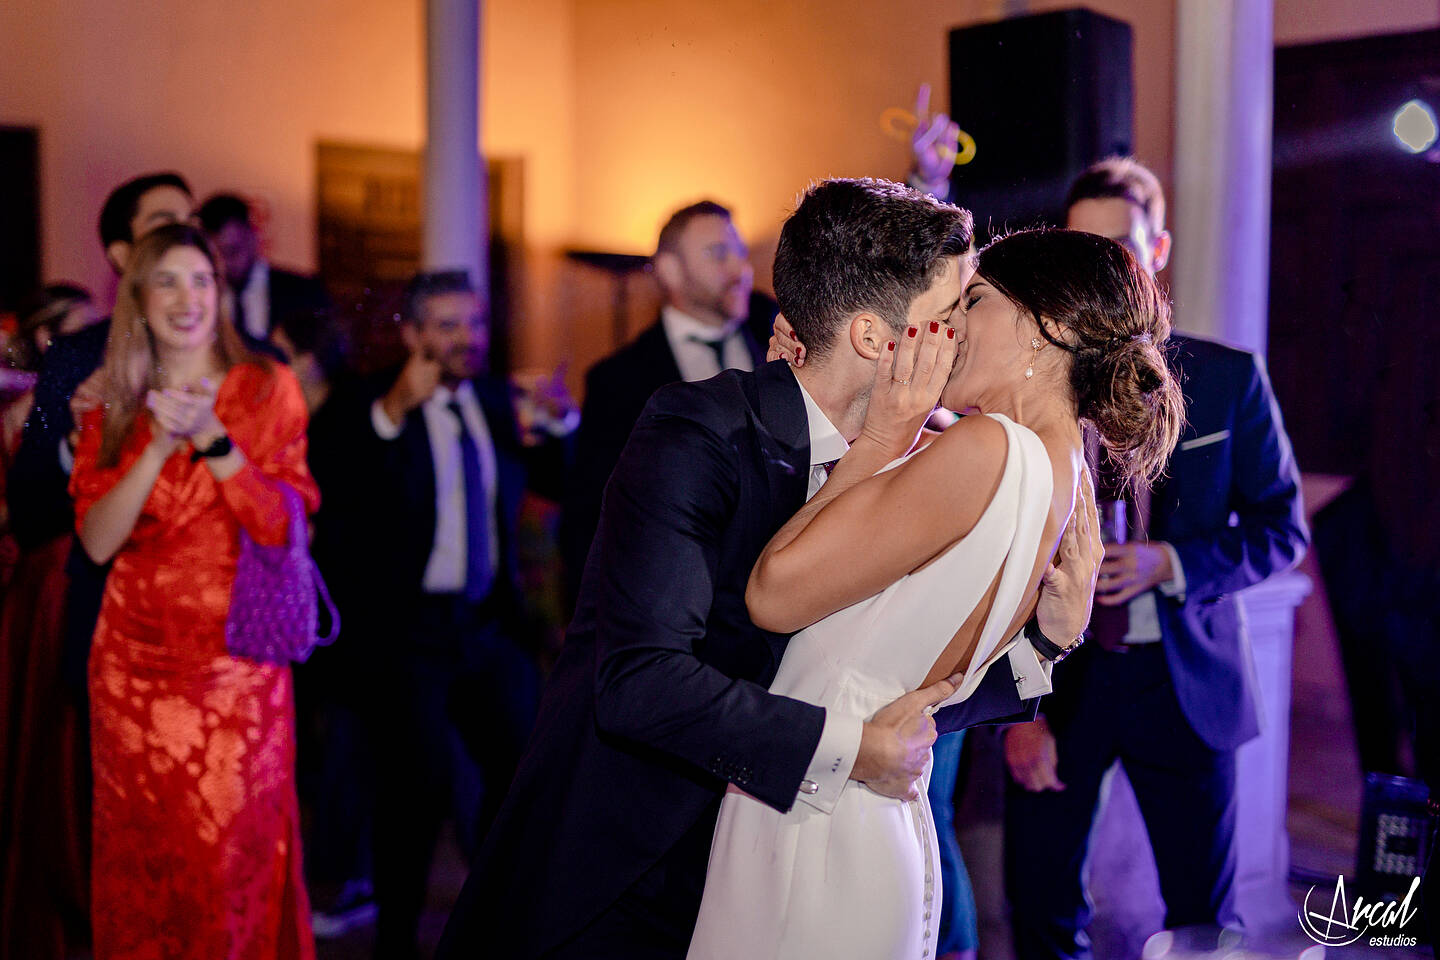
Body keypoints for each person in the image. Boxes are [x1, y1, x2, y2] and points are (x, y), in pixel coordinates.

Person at [438, 178, 1105, 960]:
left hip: (768, 867)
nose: (963, 335)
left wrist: (1045, 647)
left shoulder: (926, 463)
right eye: (948, 315)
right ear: (872, 338)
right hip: (626, 868)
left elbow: (879, 691)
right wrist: (851, 751)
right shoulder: (701, 434)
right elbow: (642, 682)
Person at [689, 225, 1183, 959]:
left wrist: (886, 440)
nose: (949, 325)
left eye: (974, 300)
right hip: (865, 807)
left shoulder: (985, 450)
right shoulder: (1058, 469)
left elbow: (773, 594)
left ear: (1042, 329)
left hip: (818, 812)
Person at [1001, 157, 1309, 959]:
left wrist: (1172, 562)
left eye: (1123, 248)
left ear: (1159, 248)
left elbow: (1283, 529)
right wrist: (1015, 707)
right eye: (1084, 249)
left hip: (1188, 682)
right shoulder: (1031, 387)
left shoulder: (1232, 379)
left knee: (1203, 918)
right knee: (1040, 906)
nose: (1105, 269)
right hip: (1060, 687)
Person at [69, 223, 317, 959]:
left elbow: (281, 524)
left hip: (239, 672)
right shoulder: (108, 399)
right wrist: (156, 442)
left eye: (202, 279)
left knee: (229, 865)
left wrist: (213, 439)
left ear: (223, 291)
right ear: (139, 299)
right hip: (132, 678)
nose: (188, 297)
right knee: (143, 866)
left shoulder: (268, 388)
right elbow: (96, 542)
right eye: (168, 281)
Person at [307, 268, 567, 959]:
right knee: (414, 789)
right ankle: (396, 940)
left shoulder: (489, 395)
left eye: (475, 324)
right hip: (406, 635)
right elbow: (339, 497)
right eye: (448, 326)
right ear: (413, 332)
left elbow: (545, 482)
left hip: (487, 624)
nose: (467, 339)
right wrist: (394, 411)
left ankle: (496, 918)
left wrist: (557, 424)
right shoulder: (364, 401)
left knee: (520, 770)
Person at [558, 199, 768, 599]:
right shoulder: (619, 380)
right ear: (671, 270)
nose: (740, 269)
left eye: (739, 252)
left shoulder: (778, 328)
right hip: (680, 604)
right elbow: (591, 518)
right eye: (718, 253)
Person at [0, 283, 96, 960]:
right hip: (44, 582)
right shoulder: (31, 413)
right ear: (45, 339)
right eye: (78, 331)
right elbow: (30, 502)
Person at [196, 193, 332, 359]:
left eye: (233, 250)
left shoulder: (303, 290)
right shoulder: (202, 298)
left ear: (253, 236)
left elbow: (328, 360)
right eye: (215, 256)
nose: (225, 264)